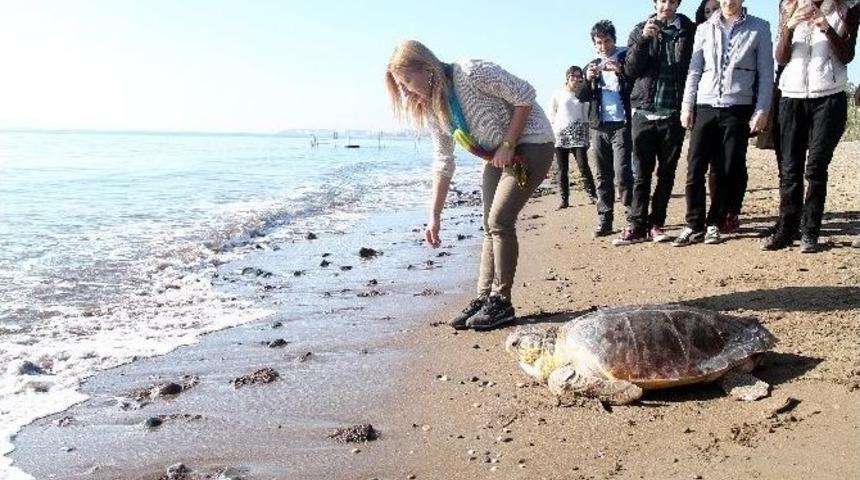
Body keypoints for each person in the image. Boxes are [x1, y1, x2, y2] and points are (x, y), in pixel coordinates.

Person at [385, 40, 554, 330]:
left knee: (500, 220)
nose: (407, 91)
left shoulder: (470, 71)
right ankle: (484, 298)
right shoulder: (434, 108)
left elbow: (525, 94)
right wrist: (434, 216)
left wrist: (508, 143)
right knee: (489, 226)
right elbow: (443, 162)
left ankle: (502, 303)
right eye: (402, 85)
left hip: (532, 143)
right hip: (495, 155)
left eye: (408, 81)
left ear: (427, 68)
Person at [673, 0, 774, 247]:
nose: (729, 1)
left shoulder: (759, 28)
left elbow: (766, 72)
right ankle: (693, 223)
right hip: (705, 106)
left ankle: (714, 223)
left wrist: (762, 110)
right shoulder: (704, 28)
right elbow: (694, 70)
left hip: (737, 108)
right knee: (694, 168)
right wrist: (687, 106)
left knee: (726, 169)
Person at [762, 0, 860, 252]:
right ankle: (786, 229)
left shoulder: (848, 6)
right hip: (791, 94)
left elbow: (848, 54)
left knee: (815, 168)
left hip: (829, 96)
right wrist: (790, 25)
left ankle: (810, 232)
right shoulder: (787, 5)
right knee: (790, 168)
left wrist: (826, 27)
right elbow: (781, 56)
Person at [613, 0, 695, 245]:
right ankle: (636, 224)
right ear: (655, 3)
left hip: (673, 112)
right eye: (662, 1)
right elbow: (630, 70)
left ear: (678, 4)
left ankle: (656, 223)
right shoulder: (639, 29)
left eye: (671, 1)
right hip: (644, 111)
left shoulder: (689, 30)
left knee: (667, 173)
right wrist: (644, 40)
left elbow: (693, 68)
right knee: (641, 173)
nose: (666, 6)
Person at [577, 20, 635, 237]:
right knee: (602, 175)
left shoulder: (626, 58)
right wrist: (588, 79)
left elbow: (635, 86)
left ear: (614, 39)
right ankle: (605, 219)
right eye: (599, 43)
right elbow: (581, 96)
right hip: (599, 127)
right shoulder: (591, 65)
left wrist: (620, 72)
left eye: (607, 41)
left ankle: (632, 218)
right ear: (594, 44)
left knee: (623, 173)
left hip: (622, 124)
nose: (604, 46)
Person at [550, 65, 597, 209]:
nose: (576, 79)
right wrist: (552, 136)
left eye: (579, 76)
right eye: (573, 76)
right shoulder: (557, 94)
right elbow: (552, 115)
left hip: (578, 134)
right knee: (562, 169)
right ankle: (564, 200)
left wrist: (587, 137)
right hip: (560, 135)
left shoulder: (583, 96)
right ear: (567, 78)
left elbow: (585, 119)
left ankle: (593, 195)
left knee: (583, 165)